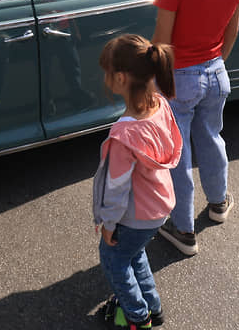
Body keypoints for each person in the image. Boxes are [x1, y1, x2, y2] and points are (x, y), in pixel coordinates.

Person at [152, 0, 239, 256]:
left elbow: (163, 42)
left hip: (179, 76)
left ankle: (182, 227)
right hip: (216, 71)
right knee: (212, 139)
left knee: (178, 154)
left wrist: (153, 81)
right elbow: (231, 31)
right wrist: (215, 61)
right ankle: (219, 202)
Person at [93, 34, 182, 330]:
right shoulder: (159, 105)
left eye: (107, 73)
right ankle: (153, 307)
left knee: (114, 260)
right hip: (159, 207)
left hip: (134, 216)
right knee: (134, 253)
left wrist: (107, 224)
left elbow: (116, 189)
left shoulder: (124, 136)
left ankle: (137, 317)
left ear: (119, 78)